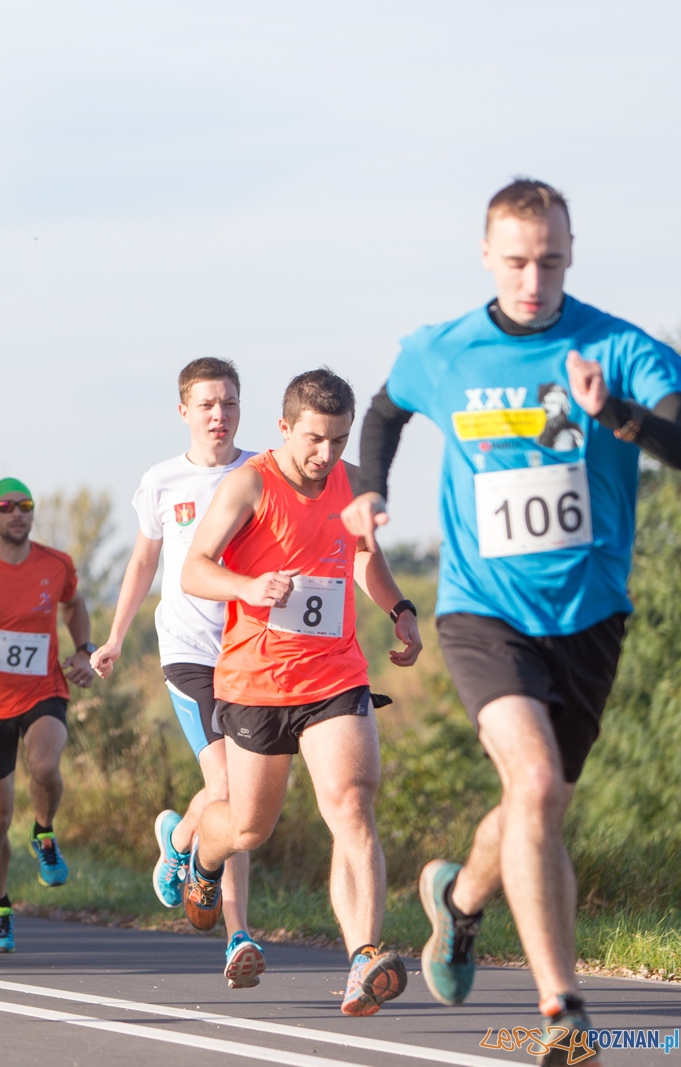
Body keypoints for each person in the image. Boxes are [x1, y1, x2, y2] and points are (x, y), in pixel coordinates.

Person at [343, 178, 681, 1063]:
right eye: (519, 261)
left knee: (540, 803)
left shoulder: (617, 345)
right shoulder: (444, 348)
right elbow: (384, 412)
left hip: (591, 614)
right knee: (532, 785)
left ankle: (457, 905)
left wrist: (615, 413)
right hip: (483, 612)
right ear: (488, 256)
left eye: (553, 261)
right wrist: (370, 487)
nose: (535, 279)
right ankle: (564, 1013)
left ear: (571, 255)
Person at [177, 370, 421, 1016]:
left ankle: (363, 957)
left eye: (339, 441)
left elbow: (363, 556)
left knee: (352, 806)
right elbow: (194, 568)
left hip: (335, 675)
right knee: (251, 825)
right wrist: (248, 587)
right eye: (315, 439)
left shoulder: (350, 480)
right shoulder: (250, 483)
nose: (326, 455)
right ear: (285, 427)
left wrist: (400, 608)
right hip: (257, 681)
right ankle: (202, 852)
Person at [91, 357, 266, 987]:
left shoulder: (262, 472)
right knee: (227, 785)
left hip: (253, 653)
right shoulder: (162, 481)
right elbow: (142, 563)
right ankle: (237, 932)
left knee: (237, 799)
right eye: (208, 404)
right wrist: (114, 637)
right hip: (189, 650)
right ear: (184, 410)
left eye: (230, 403)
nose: (219, 415)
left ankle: (182, 839)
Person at [0, 477, 95, 953]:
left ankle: (44, 834)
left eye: (24, 505)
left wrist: (84, 649)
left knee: (45, 765)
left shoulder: (55, 563)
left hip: (43, 689)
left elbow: (74, 603)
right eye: (6, 506)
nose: (16, 513)